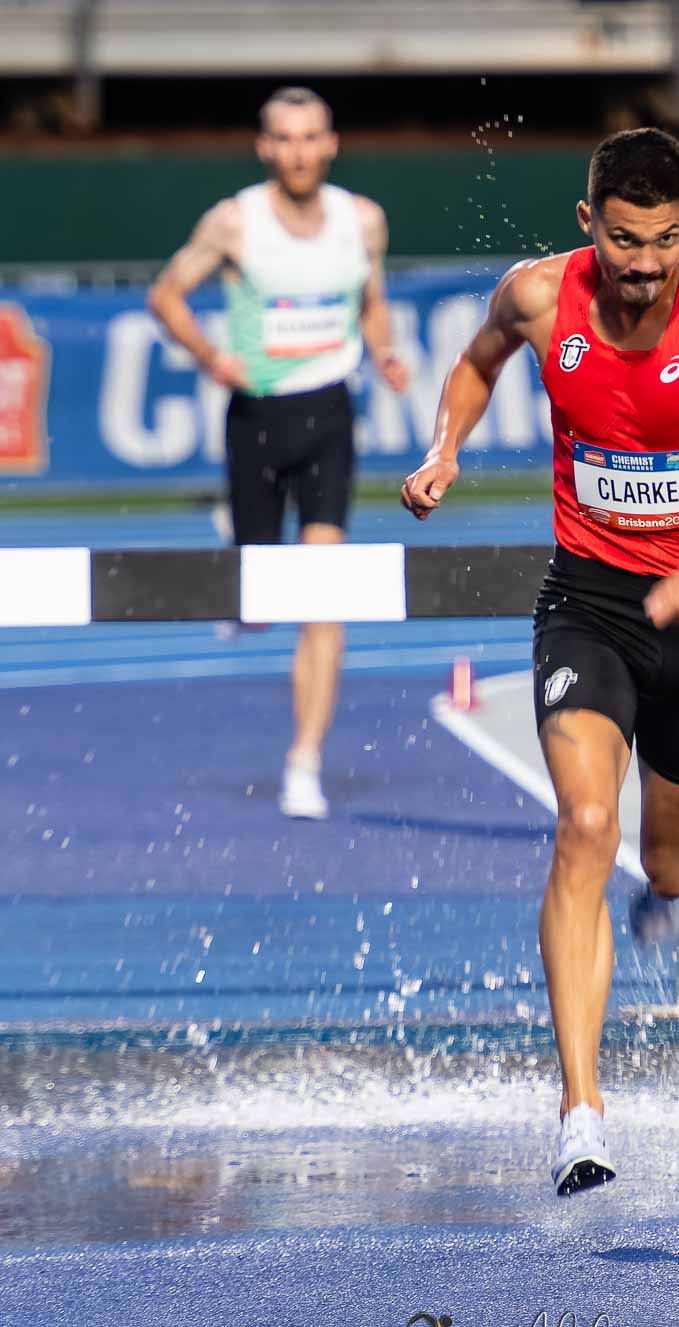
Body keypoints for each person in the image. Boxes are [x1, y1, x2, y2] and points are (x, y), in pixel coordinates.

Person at [402, 127, 679, 1197]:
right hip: (587, 601)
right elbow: (476, 361)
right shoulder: (537, 295)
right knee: (586, 824)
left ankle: (675, 876)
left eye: (663, 241)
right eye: (623, 240)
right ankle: (581, 1112)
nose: (644, 264)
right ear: (586, 222)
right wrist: (445, 446)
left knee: (674, 865)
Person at [149, 86, 408, 819]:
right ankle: (242, 547)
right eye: (285, 139)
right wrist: (210, 356)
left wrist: (384, 351)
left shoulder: (363, 220)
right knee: (259, 600)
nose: (299, 152)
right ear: (265, 148)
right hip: (257, 417)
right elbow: (166, 294)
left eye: (311, 137)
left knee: (322, 600)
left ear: (331, 144)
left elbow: (372, 301)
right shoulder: (235, 221)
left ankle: (304, 763)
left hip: (330, 414)